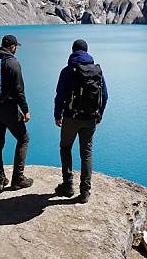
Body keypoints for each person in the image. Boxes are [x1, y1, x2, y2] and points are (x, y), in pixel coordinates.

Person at [54, 39, 108, 203]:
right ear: (87, 51)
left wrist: (58, 115)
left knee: (65, 148)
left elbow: (60, 96)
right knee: (86, 153)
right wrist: (99, 114)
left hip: (71, 117)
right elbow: (104, 96)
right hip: (90, 118)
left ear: (72, 51)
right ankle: (85, 191)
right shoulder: (97, 70)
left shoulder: (67, 71)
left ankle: (68, 185)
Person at [0, 34, 33, 192]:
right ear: (12, 47)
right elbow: (19, 91)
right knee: (24, 138)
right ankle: (18, 179)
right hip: (9, 109)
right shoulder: (12, 63)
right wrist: (26, 110)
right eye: (16, 47)